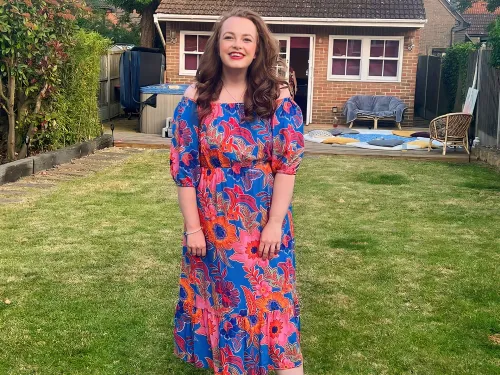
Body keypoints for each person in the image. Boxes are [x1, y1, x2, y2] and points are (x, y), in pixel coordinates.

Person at [170, 8, 305, 375]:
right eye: (229, 37)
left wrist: (275, 223)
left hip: (264, 226)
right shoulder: (196, 98)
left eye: (247, 39)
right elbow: (185, 171)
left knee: (273, 307)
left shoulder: (276, 96)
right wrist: (193, 228)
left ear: (258, 48)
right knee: (228, 308)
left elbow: (286, 166)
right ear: (217, 44)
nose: (237, 45)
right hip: (214, 229)